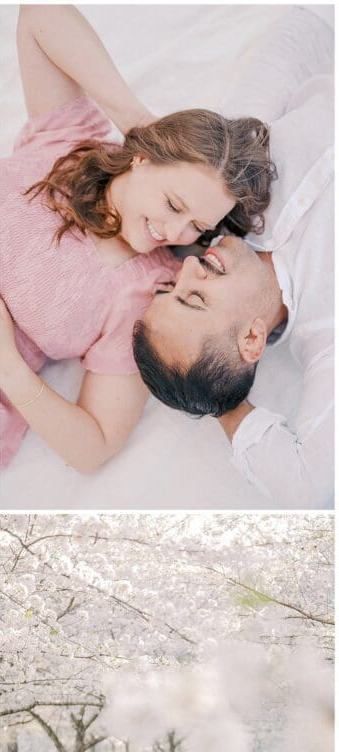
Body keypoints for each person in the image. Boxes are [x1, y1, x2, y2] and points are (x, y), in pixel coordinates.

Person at [0, 4, 275, 472]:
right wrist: (134, 119)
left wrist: (8, 367)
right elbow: (39, 15)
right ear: (141, 158)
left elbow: (95, 445)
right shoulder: (73, 145)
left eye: (195, 227)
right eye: (173, 204)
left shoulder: (149, 295)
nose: (173, 233)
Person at [132, 6, 334, 509]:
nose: (189, 266)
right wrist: (225, 408)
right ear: (251, 338)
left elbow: (301, 32)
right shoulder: (329, 332)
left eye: (169, 287)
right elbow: (315, 489)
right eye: (194, 298)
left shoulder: (228, 185)